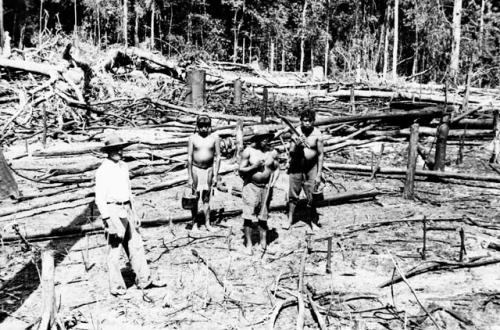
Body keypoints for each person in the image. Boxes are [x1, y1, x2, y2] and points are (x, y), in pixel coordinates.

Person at [95, 136, 164, 296]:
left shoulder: (123, 166)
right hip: (112, 210)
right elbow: (99, 198)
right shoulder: (103, 170)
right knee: (114, 249)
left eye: (121, 148)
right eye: (115, 149)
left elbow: (128, 191)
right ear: (108, 152)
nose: (119, 151)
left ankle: (144, 280)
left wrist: (134, 212)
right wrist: (107, 219)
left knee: (136, 245)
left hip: (126, 208)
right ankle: (117, 287)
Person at [239, 127, 279, 255]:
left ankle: (263, 242)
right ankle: (249, 244)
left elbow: (277, 168)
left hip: (266, 188)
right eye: (262, 138)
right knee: (248, 216)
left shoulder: (272, 153)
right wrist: (254, 167)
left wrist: (273, 182)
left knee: (263, 216)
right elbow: (241, 169)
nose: (265, 141)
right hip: (251, 186)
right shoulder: (249, 151)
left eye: (267, 138)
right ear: (257, 139)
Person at [285, 109, 324, 230]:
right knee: (293, 193)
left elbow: (320, 154)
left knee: (312, 194)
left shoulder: (317, 134)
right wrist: (297, 144)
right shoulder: (296, 132)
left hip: (311, 167)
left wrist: (319, 174)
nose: (307, 123)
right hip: (296, 166)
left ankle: (312, 220)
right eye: (305, 121)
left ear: (313, 121)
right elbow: (291, 152)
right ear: (301, 121)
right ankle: (290, 219)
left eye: (310, 121)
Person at [187, 115, 221, 231]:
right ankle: (195, 223)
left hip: (209, 170)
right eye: (201, 126)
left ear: (209, 127)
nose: (203, 129)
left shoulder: (214, 138)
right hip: (196, 169)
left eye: (206, 126)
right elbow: (189, 158)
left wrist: (216, 175)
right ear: (197, 126)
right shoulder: (192, 138)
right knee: (194, 197)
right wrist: (189, 176)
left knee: (206, 198)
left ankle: (207, 224)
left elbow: (218, 157)